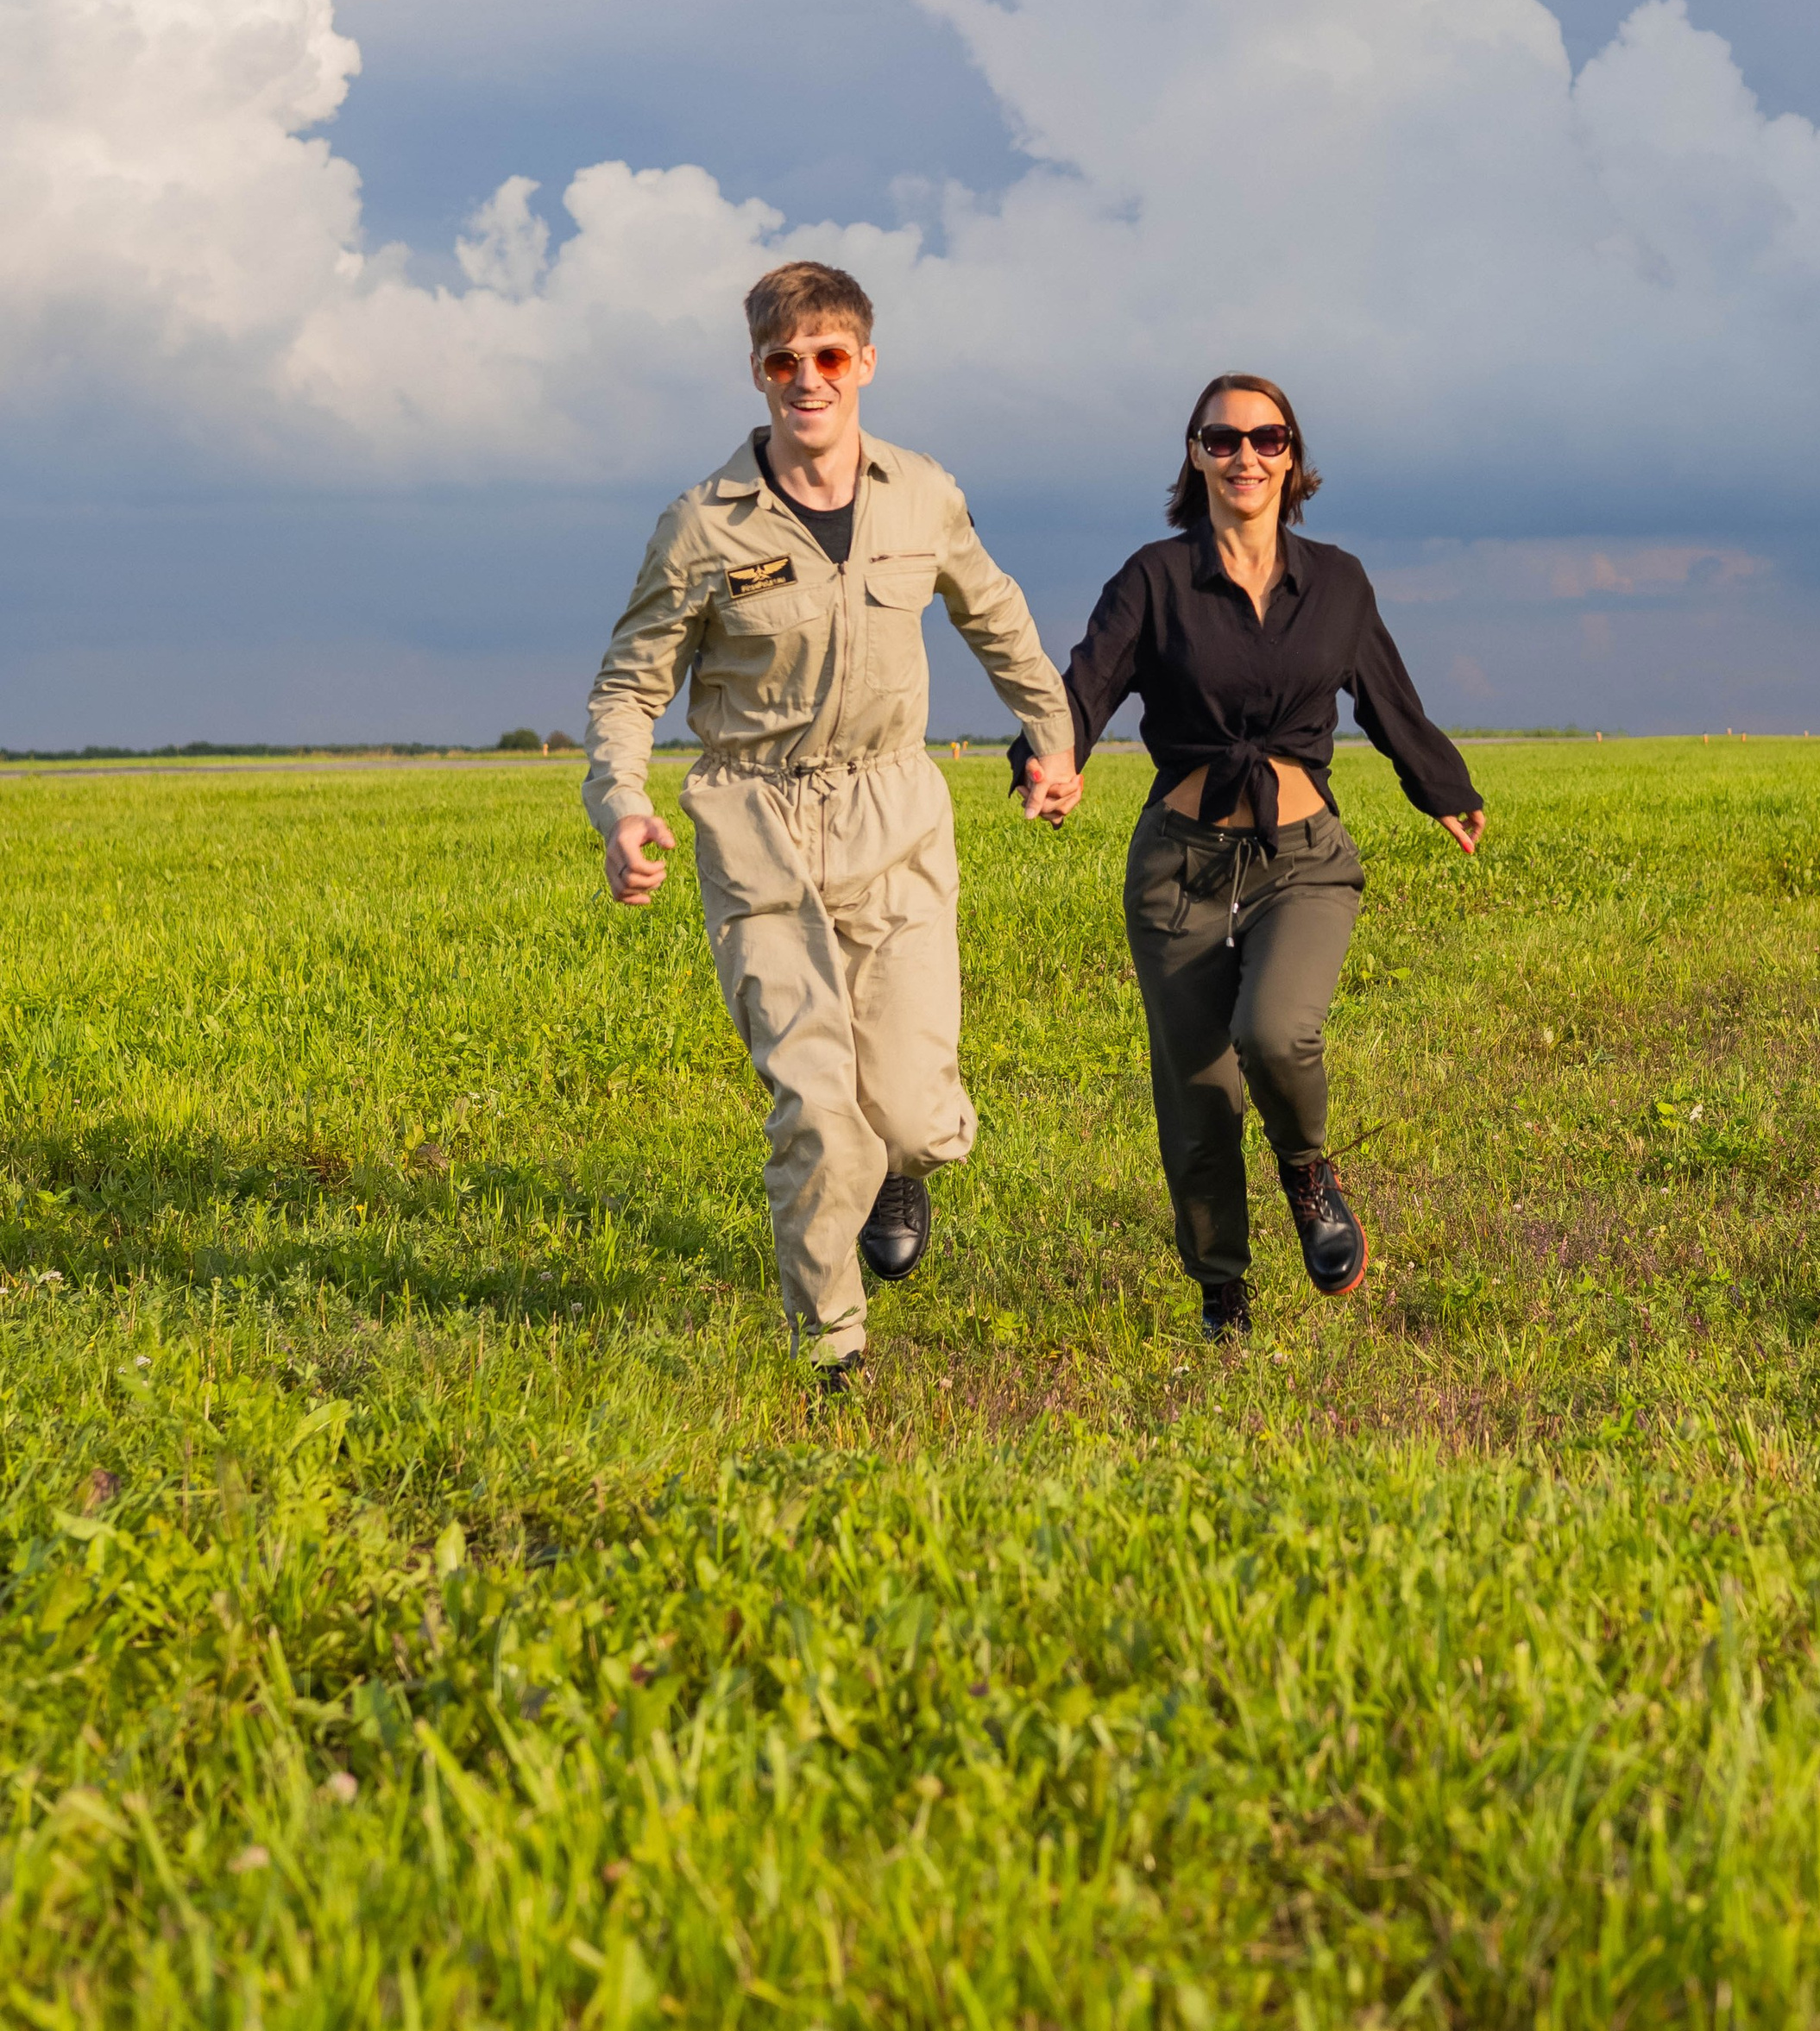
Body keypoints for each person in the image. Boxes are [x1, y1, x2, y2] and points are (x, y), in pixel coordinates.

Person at [582, 261, 1080, 1388]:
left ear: (864, 362)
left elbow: (992, 610)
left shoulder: (922, 492)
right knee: (817, 1107)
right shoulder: (701, 526)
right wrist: (623, 803)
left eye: (830, 357)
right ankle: (835, 1350)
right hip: (758, 826)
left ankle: (901, 1158)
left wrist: (1051, 732)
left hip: (895, 812)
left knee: (903, 1107)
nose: (807, 379)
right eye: (782, 361)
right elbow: (628, 684)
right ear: (756, 372)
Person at [1017, 374, 1483, 1342]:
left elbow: (1387, 698)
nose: (1245, 458)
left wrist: (1443, 788)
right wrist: (1048, 763)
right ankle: (1222, 1290)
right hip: (1178, 867)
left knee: (1276, 1035)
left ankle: (1308, 1170)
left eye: (1266, 441)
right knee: (1198, 1097)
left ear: (1293, 458)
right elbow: (1084, 686)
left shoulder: (1338, 582)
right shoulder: (1153, 579)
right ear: (1194, 455)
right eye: (1222, 440)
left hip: (1302, 857)